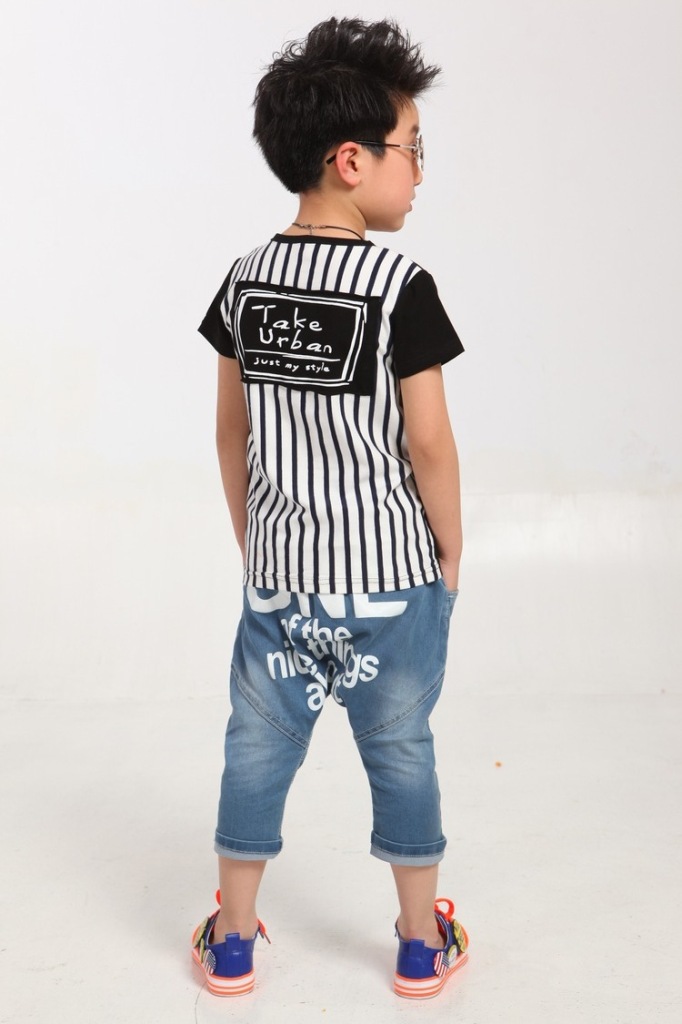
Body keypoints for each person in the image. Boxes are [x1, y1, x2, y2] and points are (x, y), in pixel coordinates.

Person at [191, 16, 469, 1000]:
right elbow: (427, 442)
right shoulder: (401, 287)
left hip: (281, 583)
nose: (420, 173)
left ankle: (231, 939)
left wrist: (255, 540)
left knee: (255, 749)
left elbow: (231, 433)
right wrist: (449, 547)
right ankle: (419, 943)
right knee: (401, 750)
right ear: (352, 160)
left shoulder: (244, 280)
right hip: (392, 582)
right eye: (412, 149)